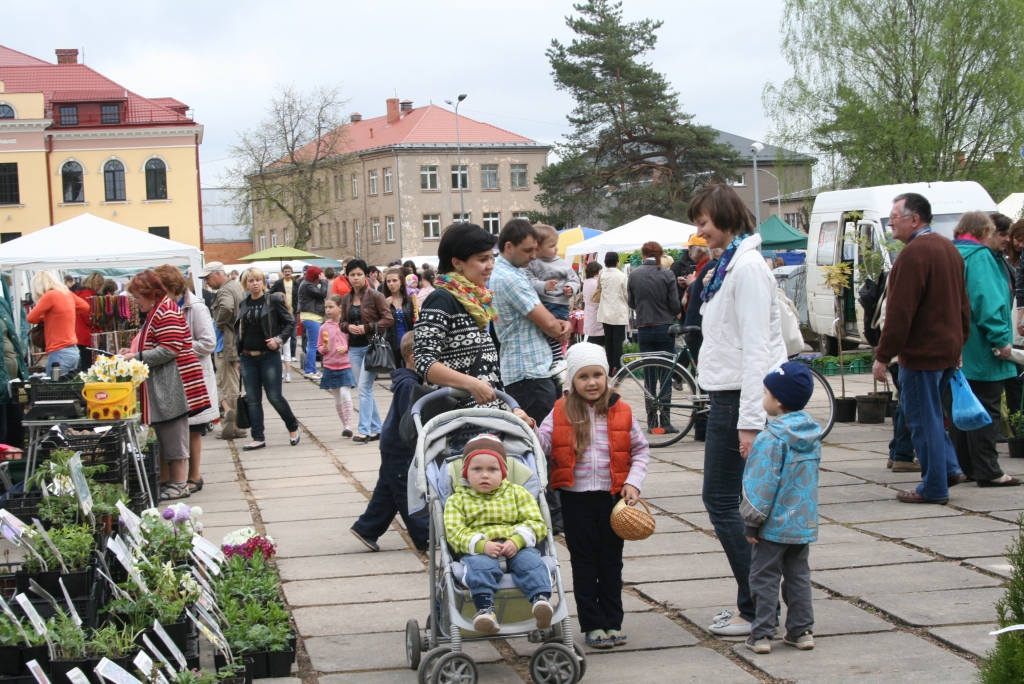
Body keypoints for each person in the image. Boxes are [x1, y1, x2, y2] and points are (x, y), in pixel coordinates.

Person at [686, 183, 787, 637]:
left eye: (704, 223)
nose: (700, 232)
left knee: (722, 501)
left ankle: (757, 608)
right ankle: (759, 603)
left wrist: (750, 421)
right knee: (733, 503)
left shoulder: (745, 268)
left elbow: (756, 350)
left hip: (736, 399)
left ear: (725, 217)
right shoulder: (732, 264)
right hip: (728, 395)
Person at [534, 342, 649, 648]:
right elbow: (541, 443)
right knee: (585, 563)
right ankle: (593, 624)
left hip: (612, 500)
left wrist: (634, 482)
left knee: (611, 562)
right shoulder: (560, 411)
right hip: (575, 500)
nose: (592, 382)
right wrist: (528, 429)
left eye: (597, 374)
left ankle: (613, 621)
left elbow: (640, 450)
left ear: (607, 376)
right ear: (572, 381)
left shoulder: (622, 411)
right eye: (583, 377)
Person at [872, 192, 969, 504]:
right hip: (946, 350)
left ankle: (934, 486)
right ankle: (950, 469)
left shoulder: (913, 255)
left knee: (920, 419)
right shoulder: (948, 249)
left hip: (922, 353)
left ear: (914, 219)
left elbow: (900, 313)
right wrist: (959, 344)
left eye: (894, 217)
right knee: (931, 415)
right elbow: (963, 305)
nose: (890, 223)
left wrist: (883, 356)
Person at [414, 223, 532, 446]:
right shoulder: (442, 299)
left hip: (486, 423)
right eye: (482, 259)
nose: (490, 266)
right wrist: (470, 383)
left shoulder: (474, 302)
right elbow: (424, 362)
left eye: (491, 257)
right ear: (457, 263)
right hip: (457, 425)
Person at [491, 219, 573, 528]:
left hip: (529, 368)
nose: (532, 256)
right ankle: (552, 516)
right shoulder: (509, 278)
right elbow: (548, 323)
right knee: (541, 445)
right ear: (508, 247)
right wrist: (561, 327)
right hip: (528, 371)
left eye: (536, 250)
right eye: (527, 250)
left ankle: (549, 511)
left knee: (539, 442)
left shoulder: (510, 272)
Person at [741, 362, 821, 654]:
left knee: (764, 576)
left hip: (772, 525)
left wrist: (752, 521)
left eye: (765, 393)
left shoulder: (770, 437)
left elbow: (761, 483)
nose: (763, 399)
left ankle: (761, 634)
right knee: (799, 576)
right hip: (802, 522)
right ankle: (801, 631)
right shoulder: (811, 435)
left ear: (779, 401)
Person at [442, 433, 553, 634]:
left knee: (532, 563)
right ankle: (485, 610)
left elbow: (536, 522)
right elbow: (455, 531)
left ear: (503, 472)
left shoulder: (518, 493)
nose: (485, 475)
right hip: (480, 549)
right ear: (465, 473)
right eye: (477, 469)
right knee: (479, 567)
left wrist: (518, 540)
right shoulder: (458, 500)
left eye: (492, 469)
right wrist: (480, 545)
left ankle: (540, 601)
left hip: (517, 547)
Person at [122, 270, 211, 501]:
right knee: (167, 433)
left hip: (174, 382)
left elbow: (169, 349)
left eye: (137, 297)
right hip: (166, 382)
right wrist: (134, 352)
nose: (135, 302)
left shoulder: (166, 310)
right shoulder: (159, 309)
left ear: (150, 294)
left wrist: (136, 357)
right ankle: (173, 481)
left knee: (174, 433)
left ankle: (180, 483)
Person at [949, 212, 1020, 487]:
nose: (1003, 240)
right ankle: (989, 471)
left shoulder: (952, 252)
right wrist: (1001, 339)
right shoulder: (980, 258)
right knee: (986, 409)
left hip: (957, 348)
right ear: (984, 232)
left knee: (961, 409)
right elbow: (987, 302)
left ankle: (965, 466)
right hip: (982, 347)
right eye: (997, 233)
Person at [350, 332, 430, 552]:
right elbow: (409, 419)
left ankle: (366, 528)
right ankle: (425, 536)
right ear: (414, 357)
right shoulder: (409, 385)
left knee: (387, 492)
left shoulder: (411, 381)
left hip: (393, 445)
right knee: (407, 491)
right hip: (400, 447)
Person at [154, 266, 219, 494]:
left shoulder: (196, 307)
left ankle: (194, 476)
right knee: (172, 429)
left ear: (172, 288)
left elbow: (209, 343)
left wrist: (176, 347)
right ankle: (171, 478)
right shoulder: (164, 307)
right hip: (174, 378)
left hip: (194, 377)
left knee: (193, 429)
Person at [236, 267, 300, 450]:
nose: (255, 283)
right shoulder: (244, 303)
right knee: (253, 399)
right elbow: (241, 330)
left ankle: (292, 426)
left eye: (258, 279)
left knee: (274, 397)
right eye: (251, 281)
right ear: (245, 284)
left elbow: (289, 322)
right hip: (248, 357)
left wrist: (278, 340)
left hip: (269, 356)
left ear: (263, 282)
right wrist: (239, 356)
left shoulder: (273, 300)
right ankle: (258, 437)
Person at [627, 241, 682, 433]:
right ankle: (665, 422)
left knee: (649, 376)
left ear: (643, 254)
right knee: (666, 375)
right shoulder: (667, 274)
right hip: (664, 327)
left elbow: (631, 303)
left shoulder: (634, 274)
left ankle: (651, 423)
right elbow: (675, 305)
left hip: (644, 327)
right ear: (660, 254)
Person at [339, 259, 393, 443]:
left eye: (359, 274)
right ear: (347, 276)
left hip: (371, 347)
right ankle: (377, 429)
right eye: (352, 274)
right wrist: (348, 327)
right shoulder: (346, 298)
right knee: (365, 389)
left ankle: (364, 430)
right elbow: (341, 322)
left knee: (363, 388)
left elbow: (388, 319)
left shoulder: (374, 296)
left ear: (366, 275)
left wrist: (367, 327)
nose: (356, 278)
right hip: (354, 348)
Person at [525, 223, 581, 377]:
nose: (556, 249)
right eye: (551, 246)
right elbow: (529, 281)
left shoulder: (562, 263)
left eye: (556, 245)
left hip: (559, 303)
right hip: (542, 303)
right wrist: (544, 285)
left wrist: (571, 287)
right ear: (538, 248)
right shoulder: (532, 264)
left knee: (556, 333)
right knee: (545, 333)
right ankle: (556, 360)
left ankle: (558, 360)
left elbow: (574, 279)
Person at [201, 262, 247, 440]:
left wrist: (219, 324)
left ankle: (231, 421)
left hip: (225, 344)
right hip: (233, 342)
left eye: (208, 277)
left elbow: (227, 308)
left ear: (218, 274)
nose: (207, 282)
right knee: (233, 383)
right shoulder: (235, 286)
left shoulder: (224, 290)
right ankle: (235, 423)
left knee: (224, 383)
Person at [27, 271, 89, 375]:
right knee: (68, 389)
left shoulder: (50, 295)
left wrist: (46, 316)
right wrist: (63, 313)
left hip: (59, 351)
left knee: (51, 390)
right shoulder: (67, 293)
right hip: (72, 350)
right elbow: (85, 307)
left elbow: (31, 318)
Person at [318, 294, 355, 437]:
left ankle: (349, 425)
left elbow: (352, 343)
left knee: (345, 393)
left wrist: (345, 347)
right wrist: (323, 350)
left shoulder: (345, 325)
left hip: (345, 364)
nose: (327, 310)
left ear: (340, 308)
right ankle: (344, 423)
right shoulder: (324, 327)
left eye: (331, 307)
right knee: (337, 398)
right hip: (330, 365)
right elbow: (320, 345)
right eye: (326, 307)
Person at [596, 252, 629, 376]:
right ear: (617, 262)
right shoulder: (622, 276)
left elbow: (599, 288)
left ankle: (609, 367)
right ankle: (618, 368)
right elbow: (626, 294)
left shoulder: (602, 274)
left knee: (608, 341)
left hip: (605, 312)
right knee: (617, 342)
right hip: (618, 313)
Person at [382, 267, 417, 369]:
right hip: (392, 344)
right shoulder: (383, 301)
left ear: (401, 282)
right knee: (396, 375)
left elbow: (415, 322)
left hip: (409, 344)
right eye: (388, 281)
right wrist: (386, 308)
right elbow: (380, 323)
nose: (391, 284)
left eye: (394, 280)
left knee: (412, 374)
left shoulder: (410, 301)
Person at [270, 265, 300, 382]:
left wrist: (297, 308)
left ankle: (292, 354)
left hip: (292, 310)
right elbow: (270, 293)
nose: (287, 273)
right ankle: (285, 370)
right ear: (283, 273)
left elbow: (299, 296)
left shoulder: (296, 284)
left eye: (289, 271)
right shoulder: (278, 283)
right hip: (281, 310)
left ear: (292, 273)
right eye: (285, 271)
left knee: (292, 334)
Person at [298, 266, 328, 380]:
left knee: (312, 344)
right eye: (319, 275)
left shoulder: (306, 284)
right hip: (311, 317)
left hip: (311, 317)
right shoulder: (308, 285)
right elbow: (322, 293)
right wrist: (324, 281)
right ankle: (309, 370)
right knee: (313, 345)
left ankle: (313, 370)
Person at [74, 272, 104, 372]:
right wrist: (99, 324)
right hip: (87, 334)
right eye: (99, 284)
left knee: (86, 362)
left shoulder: (82, 294)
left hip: (83, 333)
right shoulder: (87, 295)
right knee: (88, 365)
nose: (100, 287)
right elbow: (88, 317)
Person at [581, 261, 604, 347]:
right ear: (597, 271)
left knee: (592, 340)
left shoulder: (586, 282)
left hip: (589, 313)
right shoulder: (596, 283)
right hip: (597, 313)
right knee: (599, 342)